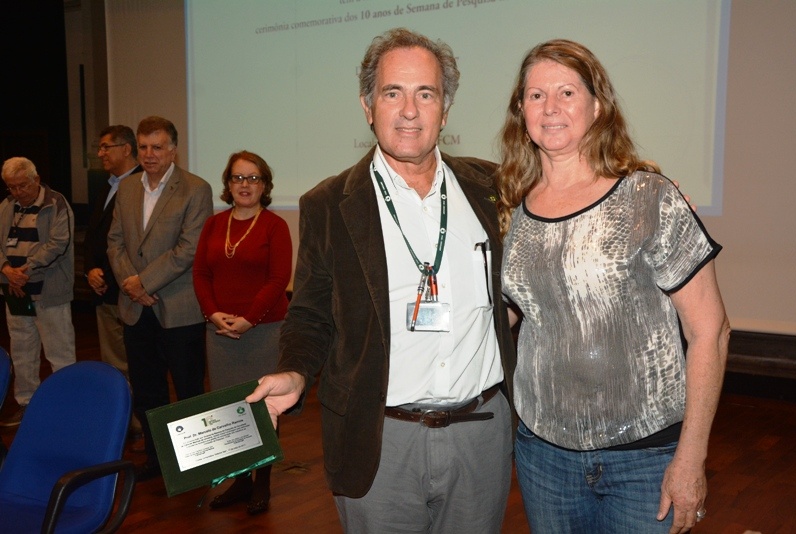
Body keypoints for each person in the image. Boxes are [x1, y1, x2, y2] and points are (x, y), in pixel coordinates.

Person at [246, 28, 516, 533]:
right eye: (393, 92)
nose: (409, 110)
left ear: (446, 108)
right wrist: (295, 372)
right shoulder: (328, 204)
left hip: (480, 434)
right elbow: (309, 313)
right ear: (368, 105)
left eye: (426, 93)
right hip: (379, 438)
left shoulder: (494, 189)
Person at [497, 39, 730, 534]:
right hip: (544, 458)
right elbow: (513, 313)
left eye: (566, 92)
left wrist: (691, 458)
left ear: (597, 106)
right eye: (536, 96)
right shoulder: (509, 207)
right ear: (521, 109)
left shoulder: (647, 198)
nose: (551, 108)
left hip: (643, 461)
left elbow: (711, 331)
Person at [107, 115, 213, 481]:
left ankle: (195, 465)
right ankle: (157, 461)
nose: (149, 154)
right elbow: (115, 241)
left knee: (187, 390)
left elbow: (188, 250)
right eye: (143, 147)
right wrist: (129, 284)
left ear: (173, 151)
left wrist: (144, 283)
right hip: (136, 309)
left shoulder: (195, 189)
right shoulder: (127, 188)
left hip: (179, 310)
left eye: (157, 147)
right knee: (148, 391)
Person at [193, 150, 292, 515]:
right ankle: (241, 481)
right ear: (228, 184)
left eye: (253, 178)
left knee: (263, 409)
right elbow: (201, 274)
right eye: (238, 178)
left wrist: (249, 317)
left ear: (264, 184)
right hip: (219, 333)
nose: (245, 185)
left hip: (263, 331)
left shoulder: (274, 226)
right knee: (229, 410)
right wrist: (213, 314)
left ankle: (261, 483)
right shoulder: (214, 225)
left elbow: (278, 279)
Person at [0, 157, 76, 427]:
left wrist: (24, 271)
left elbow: (58, 245)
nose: (17, 192)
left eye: (22, 185)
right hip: (15, 291)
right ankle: (26, 405)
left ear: (36, 178)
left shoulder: (56, 203)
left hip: (49, 291)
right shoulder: (6, 206)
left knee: (60, 353)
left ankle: (67, 408)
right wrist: (7, 270)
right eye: (11, 187)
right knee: (22, 350)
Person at [83, 125, 143, 441]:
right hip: (104, 289)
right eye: (101, 147)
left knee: (130, 362)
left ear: (126, 148)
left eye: (107, 147)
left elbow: (132, 243)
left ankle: (133, 422)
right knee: (113, 363)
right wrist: (90, 269)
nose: (101, 153)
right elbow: (97, 236)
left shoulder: (139, 185)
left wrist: (112, 276)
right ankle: (120, 420)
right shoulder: (109, 185)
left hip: (127, 291)